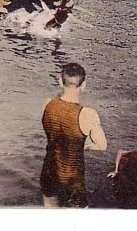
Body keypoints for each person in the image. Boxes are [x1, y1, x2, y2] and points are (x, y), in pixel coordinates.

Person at [40, 63, 107, 208]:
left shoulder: (48, 104)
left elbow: (51, 131)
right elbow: (102, 146)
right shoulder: (88, 114)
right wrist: (86, 147)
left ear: (60, 81)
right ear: (83, 85)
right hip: (72, 178)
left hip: (49, 171)